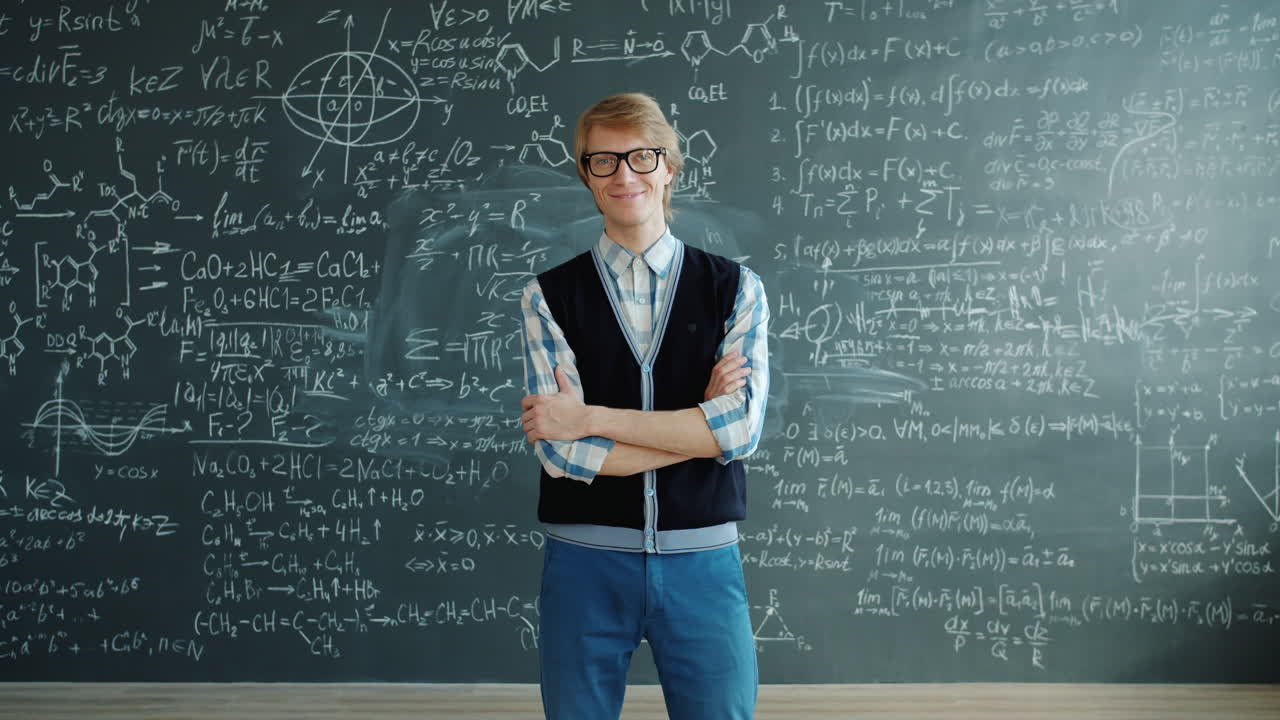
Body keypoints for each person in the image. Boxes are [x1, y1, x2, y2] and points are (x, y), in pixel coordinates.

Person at [517, 92, 770, 719]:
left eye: (641, 157)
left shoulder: (736, 289)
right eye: (602, 161)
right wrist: (693, 431)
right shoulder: (548, 296)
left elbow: (737, 432)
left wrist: (591, 418)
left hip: (703, 561)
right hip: (584, 562)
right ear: (585, 174)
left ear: (670, 166)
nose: (624, 174)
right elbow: (561, 451)